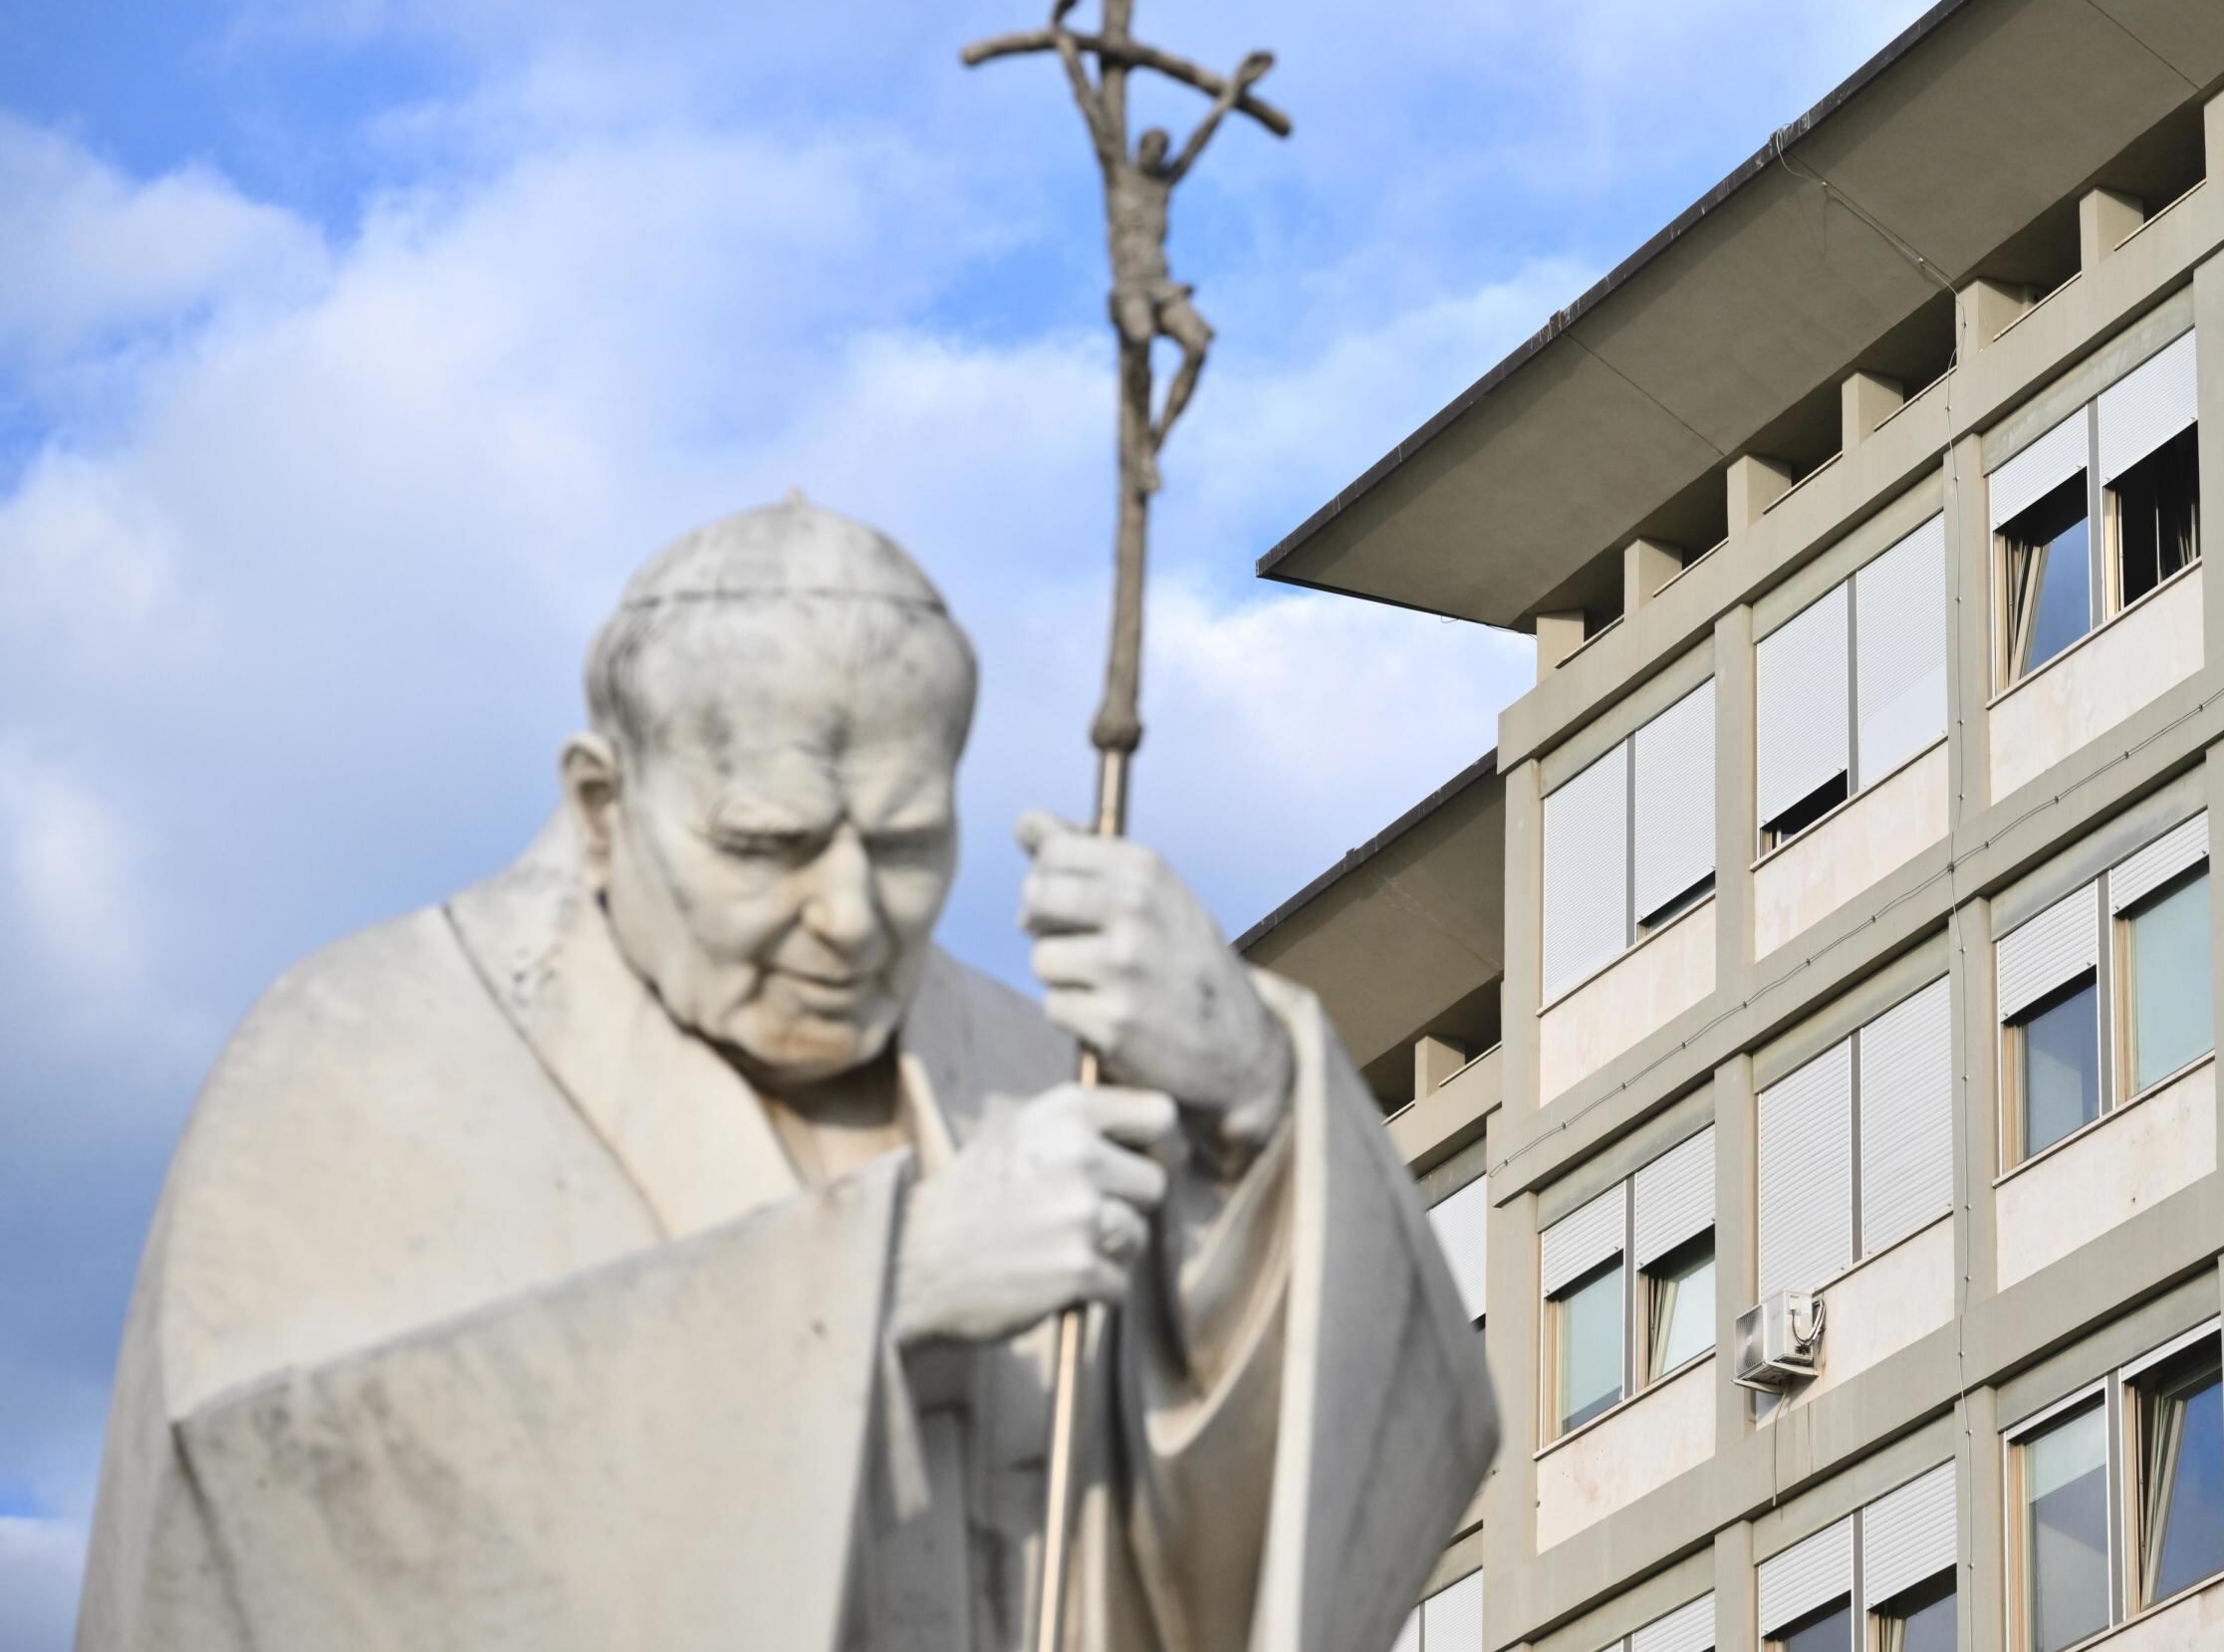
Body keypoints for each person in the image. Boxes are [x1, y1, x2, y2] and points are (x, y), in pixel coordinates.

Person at [78, 498, 1495, 1651]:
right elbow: (262, 1512)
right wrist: (885, 1290)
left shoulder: (1024, 1074)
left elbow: (1295, 1532)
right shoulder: (365, 1046)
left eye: (904, 846)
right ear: (598, 801)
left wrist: (1258, 1112)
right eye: (767, 846)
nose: (851, 916)